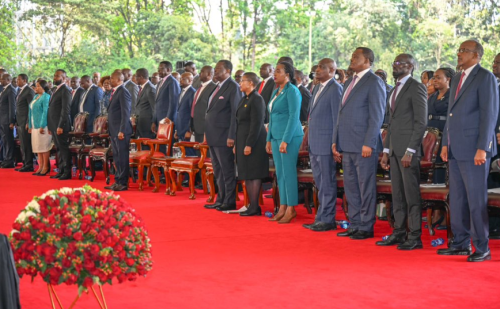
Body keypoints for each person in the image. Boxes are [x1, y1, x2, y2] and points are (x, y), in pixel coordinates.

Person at [439, 39, 499, 262]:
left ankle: (482, 247)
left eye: (464, 51)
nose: (459, 54)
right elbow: (451, 114)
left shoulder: (485, 77)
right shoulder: (456, 78)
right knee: (457, 200)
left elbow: (489, 115)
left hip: (475, 150)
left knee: (475, 200)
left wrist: (483, 148)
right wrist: (445, 142)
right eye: (459, 50)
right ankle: (460, 243)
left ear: (477, 55)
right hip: (455, 148)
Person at [332, 47, 386, 239]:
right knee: (351, 186)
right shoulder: (349, 83)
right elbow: (341, 114)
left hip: (363, 145)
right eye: (352, 56)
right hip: (346, 143)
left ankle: (366, 226)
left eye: (356, 57)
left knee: (365, 187)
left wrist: (369, 143)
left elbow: (377, 116)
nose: (352, 59)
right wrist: (335, 141)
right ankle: (354, 223)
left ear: (368, 61)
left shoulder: (374, 82)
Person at [378, 54, 427, 250]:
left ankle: (415, 236)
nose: (395, 66)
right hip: (394, 149)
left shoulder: (416, 87)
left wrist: (411, 150)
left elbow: (421, 122)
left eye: (400, 63)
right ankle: (399, 232)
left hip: (408, 151)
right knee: (397, 193)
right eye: (394, 63)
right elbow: (392, 122)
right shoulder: (394, 89)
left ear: (411, 66)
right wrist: (385, 150)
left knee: (411, 194)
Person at [302, 58, 343, 231]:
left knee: (327, 183)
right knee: (319, 183)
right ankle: (320, 217)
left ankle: (327, 220)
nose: (317, 70)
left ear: (332, 70)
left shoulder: (335, 89)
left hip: (326, 144)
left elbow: (337, 120)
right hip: (315, 143)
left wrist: (334, 143)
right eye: (317, 67)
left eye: (322, 67)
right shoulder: (317, 87)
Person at [265, 61, 304, 223]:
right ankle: (282, 206)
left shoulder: (292, 91)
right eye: (274, 71)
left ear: (287, 74)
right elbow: (272, 117)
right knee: (279, 173)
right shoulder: (276, 91)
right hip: (275, 136)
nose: (275, 74)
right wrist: (269, 139)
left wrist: (285, 140)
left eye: (278, 71)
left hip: (289, 137)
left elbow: (294, 117)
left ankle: (291, 208)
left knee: (288, 173)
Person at [204, 60, 242, 211]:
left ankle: (229, 200)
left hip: (224, 135)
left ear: (228, 71)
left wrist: (231, 136)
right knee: (218, 170)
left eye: (218, 69)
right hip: (213, 135)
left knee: (227, 170)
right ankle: (220, 199)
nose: (215, 71)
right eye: (215, 68)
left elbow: (235, 113)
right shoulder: (216, 87)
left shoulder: (232, 87)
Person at [235, 72, 268, 216]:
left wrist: (249, 144)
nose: (240, 83)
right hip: (242, 140)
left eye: (243, 81)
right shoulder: (244, 99)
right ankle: (251, 205)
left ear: (251, 83)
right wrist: (238, 143)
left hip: (254, 141)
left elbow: (256, 124)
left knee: (254, 174)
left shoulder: (257, 99)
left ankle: (255, 207)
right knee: (246, 173)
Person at [104, 71, 132, 192]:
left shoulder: (123, 91)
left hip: (121, 131)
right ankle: (117, 181)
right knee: (116, 157)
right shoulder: (115, 91)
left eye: (112, 78)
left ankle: (123, 183)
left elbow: (126, 113)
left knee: (122, 157)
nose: (110, 80)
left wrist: (122, 130)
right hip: (114, 130)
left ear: (120, 79)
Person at [47, 69, 72, 180]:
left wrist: (60, 125)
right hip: (54, 124)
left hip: (61, 125)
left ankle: (67, 172)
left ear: (64, 78)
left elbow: (65, 110)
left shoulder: (65, 90)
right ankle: (61, 170)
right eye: (54, 75)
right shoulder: (56, 89)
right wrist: (50, 125)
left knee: (63, 148)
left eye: (57, 76)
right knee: (58, 149)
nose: (55, 78)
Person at [28, 80, 52, 176]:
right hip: (34, 125)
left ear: (43, 87)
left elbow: (45, 112)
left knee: (44, 147)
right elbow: (30, 112)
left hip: (43, 126)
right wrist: (30, 125)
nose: (35, 88)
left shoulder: (46, 97)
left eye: (38, 86)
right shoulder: (35, 97)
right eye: (35, 86)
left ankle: (45, 167)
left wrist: (42, 125)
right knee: (38, 147)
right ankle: (40, 166)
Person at [190, 66, 217, 143]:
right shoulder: (200, 87)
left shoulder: (214, 88)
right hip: (196, 125)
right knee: (198, 152)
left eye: (202, 72)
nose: (199, 74)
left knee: (205, 152)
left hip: (205, 127)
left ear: (208, 74)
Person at [15, 74, 35, 172]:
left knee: (26, 144)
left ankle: (29, 164)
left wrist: (28, 122)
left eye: (18, 80)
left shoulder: (29, 91)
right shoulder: (20, 91)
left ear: (25, 80)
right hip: (19, 121)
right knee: (22, 144)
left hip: (25, 122)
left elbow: (31, 108)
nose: (16, 81)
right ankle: (25, 162)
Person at [153, 61, 180, 134]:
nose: (158, 71)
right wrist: (154, 121)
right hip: (159, 119)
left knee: (167, 144)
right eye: (158, 69)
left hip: (167, 120)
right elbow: (156, 103)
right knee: (160, 144)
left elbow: (173, 103)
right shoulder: (159, 83)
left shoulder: (172, 82)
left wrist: (168, 119)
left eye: (161, 69)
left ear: (168, 70)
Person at [0, 74, 17, 168]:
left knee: (8, 140)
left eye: (2, 79)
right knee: (4, 140)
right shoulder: (5, 89)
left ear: (8, 80)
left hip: (7, 120)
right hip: (2, 119)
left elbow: (12, 107)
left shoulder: (11, 90)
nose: (1, 80)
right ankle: (6, 158)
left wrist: (11, 121)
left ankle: (9, 160)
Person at [134, 69, 156, 139]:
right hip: (140, 122)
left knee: (147, 146)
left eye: (136, 77)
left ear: (141, 77)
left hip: (147, 124)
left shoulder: (150, 88)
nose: (135, 79)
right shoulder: (142, 88)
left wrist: (153, 122)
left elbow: (154, 107)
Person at [175, 72, 195, 144]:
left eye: (183, 79)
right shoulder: (181, 91)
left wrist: (189, 130)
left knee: (188, 152)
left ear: (190, 81)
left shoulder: (192, 92)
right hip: (180, 127)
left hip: (186, 129)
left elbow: (192, 113)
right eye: (180, 79)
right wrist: (177, 130)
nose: (180, 81)